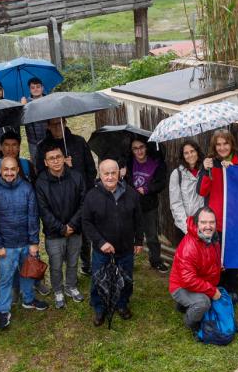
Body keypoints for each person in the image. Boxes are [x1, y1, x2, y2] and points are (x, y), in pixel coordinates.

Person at [0, 156, 48, 330]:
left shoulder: (27, 188)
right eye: (6, 169)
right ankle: (3, 310)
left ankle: (28, 299)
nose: (10, 172)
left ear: (18, 170)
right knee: (5, 279)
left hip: (26, 243)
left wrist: (34, 242)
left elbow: (33, 216)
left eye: (13, 169)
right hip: (6, 246)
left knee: (28, 273)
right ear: (0, 171)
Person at [82, 159, 144, 326]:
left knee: (126, 279)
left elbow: (138, 218)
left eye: (113, 173)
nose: (110, 177)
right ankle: (99, 308)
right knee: (98, 280)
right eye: (106, 173)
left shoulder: (131, 194)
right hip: (102, 251)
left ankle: (122, 304)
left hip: (125, 249)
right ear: (100, 174)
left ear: (119, 173)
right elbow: (86, 222)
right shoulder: (92, 196)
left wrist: (138, 241)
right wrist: (100, 242)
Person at [36, 117, 97, 274]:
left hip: (80, 195)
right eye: (53, 124)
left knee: (83, 232)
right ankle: (65, 264)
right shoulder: (43, 146)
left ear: (65, 122)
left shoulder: (78, 141)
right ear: (48, 125)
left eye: (60, 123)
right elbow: (40, 172)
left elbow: (91, 168)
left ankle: (86, 263)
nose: (57, 127)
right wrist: (62, 168)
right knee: (62, 234)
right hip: (56, 199)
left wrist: (86, 190)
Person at [35, 144, 87, 309]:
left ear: (64, 158)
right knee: (56, 264)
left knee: (73, 261)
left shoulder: (76, 176)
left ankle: (71, 286)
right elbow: (43, 210)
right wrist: (61, 228)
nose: (56, 161)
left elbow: (83, 202)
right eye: (51, 158)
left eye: (58, 157)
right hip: (54, 233)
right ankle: (58, 290)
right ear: (45, 162)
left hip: (75, 229)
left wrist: (72, 224)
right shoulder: (41, 182)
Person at [198, 130, 238, 297]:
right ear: (214, 147)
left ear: (231, 145)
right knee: (215, 255)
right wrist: (206, 170)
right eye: (219, 144)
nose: (222, 147)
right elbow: (202, 191)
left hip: (233, 219)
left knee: (232, 255)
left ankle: (232, 288)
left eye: (226, 143)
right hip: (215, 221)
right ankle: (216, 287)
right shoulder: (210, 163)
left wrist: (233, 173)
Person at [169, 208, 223, 330]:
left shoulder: (212, 238)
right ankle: (191, 323)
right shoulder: (189, 247)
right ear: (196, 223)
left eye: (212, 222)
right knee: (204, 303)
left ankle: (182, 306)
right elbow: (188, 280)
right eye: (203, 222)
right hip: (181, 286)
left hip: (199, 280)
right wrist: (211, 291)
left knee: (211, 297)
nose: (208, 226)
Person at [127, 138, 169, 273]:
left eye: (141, 147)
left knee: (151, 236)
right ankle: (128, 261)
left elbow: (161, 183)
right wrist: (122, 175)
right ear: (132, 150)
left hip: (149, 205)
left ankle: (155, 261)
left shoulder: (156, 164)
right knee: (128, 234)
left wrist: (146, 189)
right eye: (135, 148)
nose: (139, 151)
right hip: (130, 205)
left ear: (146, 148)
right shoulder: (127, 163)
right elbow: (122, 182)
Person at [169, 140, 205, 234]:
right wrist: (187, 228)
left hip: (204, 224)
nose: (190, 155)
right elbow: (176, 204)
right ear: (183, 156)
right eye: (186, 153)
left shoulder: (205, 171)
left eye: (192, 151)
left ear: (197, 152)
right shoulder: (177, 174)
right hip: (185, 226)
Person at [20, 77, 49, 162]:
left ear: (42, 88)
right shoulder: (25, 103)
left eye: (38, 87)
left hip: (49, 138)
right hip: (33, 141)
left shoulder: (49, 100)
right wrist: (22, 108)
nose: (36, 89)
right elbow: (21, 122)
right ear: (29, 90)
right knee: (36, 164)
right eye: (33, 87)